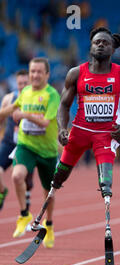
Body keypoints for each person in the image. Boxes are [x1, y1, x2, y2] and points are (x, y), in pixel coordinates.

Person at [49, 27, 120, 231]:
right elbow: (63, 105)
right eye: (96, 42)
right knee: (60, 173)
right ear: (90, 47)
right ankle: (52, 194)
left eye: (105, 42)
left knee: (106, 183)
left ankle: (107, 216)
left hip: (105, 135)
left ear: (113, 49)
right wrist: (62, 129)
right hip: (79, 131)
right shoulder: (76, 73)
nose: (100, 45)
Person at [0, 58, 60, 248]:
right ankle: (24, 214)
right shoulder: (25, 92)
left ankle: (48, 225)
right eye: (32, 71)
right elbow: (11, 109)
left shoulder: (52, 95)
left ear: (47, 75)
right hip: (26, 146)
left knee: (47, 192)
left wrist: (24, 115)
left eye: (39, 72)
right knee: (17, 176)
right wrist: (4, 112)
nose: (34, 75)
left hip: (47, 151)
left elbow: (44, 122)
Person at [0, 69, 34, 211]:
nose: (22, 86)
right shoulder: (9, 98)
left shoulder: (35, 99)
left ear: (30, 82)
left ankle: (25, 209)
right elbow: (1, 118)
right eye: (20, 83)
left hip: (27, 143)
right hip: (9, 141)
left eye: (25, 83)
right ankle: (2, 191)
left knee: (25, 180)